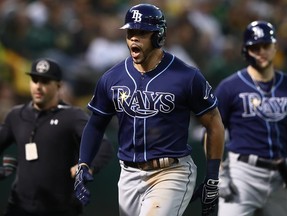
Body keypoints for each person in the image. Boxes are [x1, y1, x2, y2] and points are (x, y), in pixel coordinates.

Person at [74, 3, 225, 216]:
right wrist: (83, 164)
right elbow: (96, 124)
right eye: (130, 32)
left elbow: (213, 122)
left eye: (142, 32)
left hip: (171, 172)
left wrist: (212, 176)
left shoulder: (186, 76)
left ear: (159, 36)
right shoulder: (112, 77)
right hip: (128, 174)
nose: (134, 38)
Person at [0, 58, 114, 216]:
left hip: (60, 208)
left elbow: (104, 145)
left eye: (45, 81)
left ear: (59, 86)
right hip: (20, 206)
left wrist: (87, 165)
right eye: (35, 80)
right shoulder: (17, 115)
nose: (38, 86)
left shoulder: (72, 116)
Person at [216, 20, 287, 216]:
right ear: (246, 51)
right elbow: (213, 132)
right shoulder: (229, 87)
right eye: (254, 47)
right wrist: (218, 174)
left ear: (275, 47)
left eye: (266, 45)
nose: (261, 51)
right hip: (243, 172)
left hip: (282, 176)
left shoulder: (286, 84)